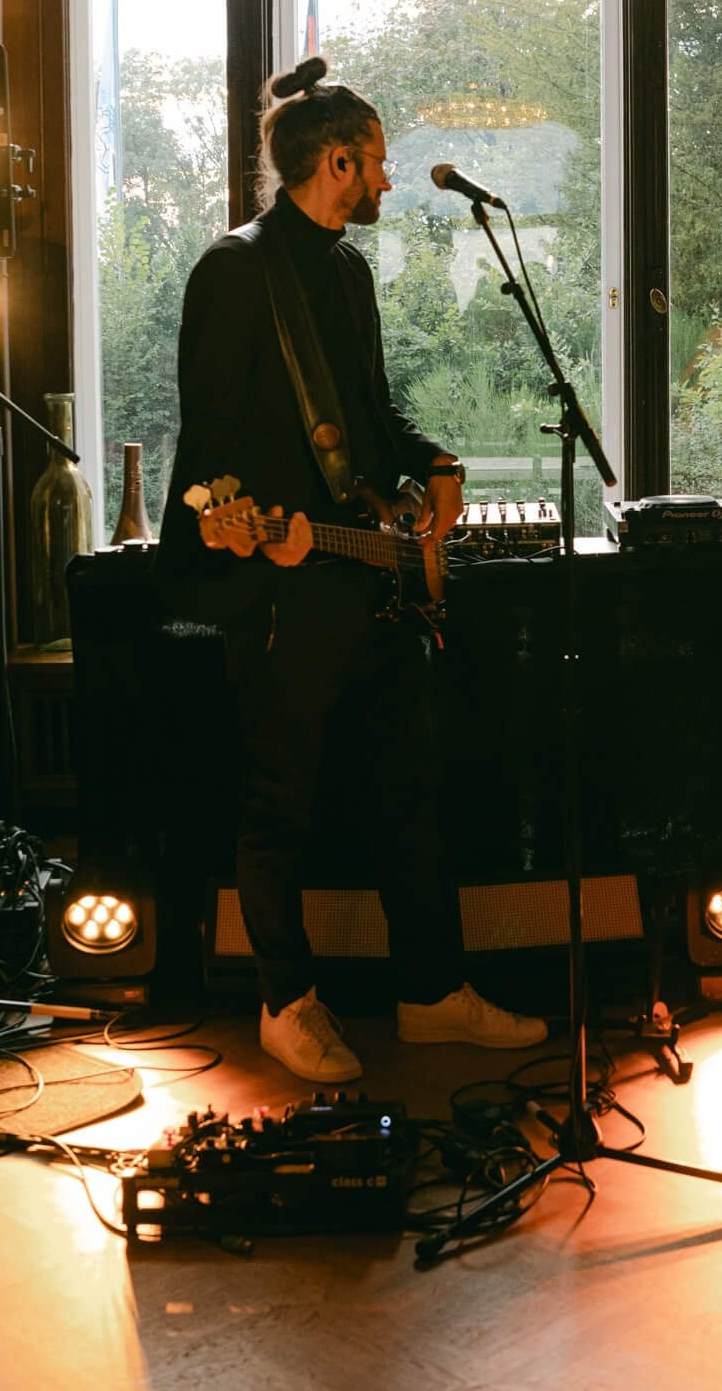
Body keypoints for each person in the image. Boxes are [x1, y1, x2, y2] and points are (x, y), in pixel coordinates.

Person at [157, 58, 546, 1084]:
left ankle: (430, 997)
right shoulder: (234, 271)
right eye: (375, 164)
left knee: (412, 791)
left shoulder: (348, 273)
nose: (385, 182)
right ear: (337, 161)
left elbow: (370, 424)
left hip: (369, 578)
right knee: (276, 803)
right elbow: (205, 445)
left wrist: (436, 465)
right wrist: (224, 519)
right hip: (285, 580)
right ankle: (286, 1004)